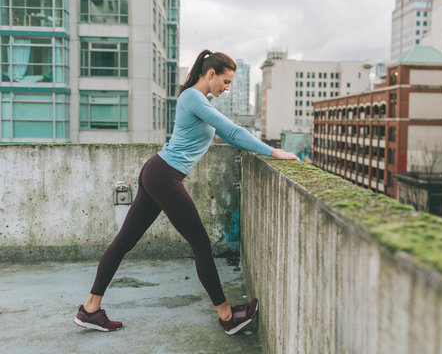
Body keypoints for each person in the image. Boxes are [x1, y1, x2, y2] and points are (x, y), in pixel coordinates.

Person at [74, 50, 299, 334]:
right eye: (225, 82)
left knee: (124, 242)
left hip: (158, 172)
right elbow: (231, 132)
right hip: (164, 174)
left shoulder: (195, 99)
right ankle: (228, 316)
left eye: (231, 84)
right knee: (200, 244)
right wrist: (273, 151)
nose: (227, 89)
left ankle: (90, 309)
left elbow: (225, 132)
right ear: (211, 74)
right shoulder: (193, 97)